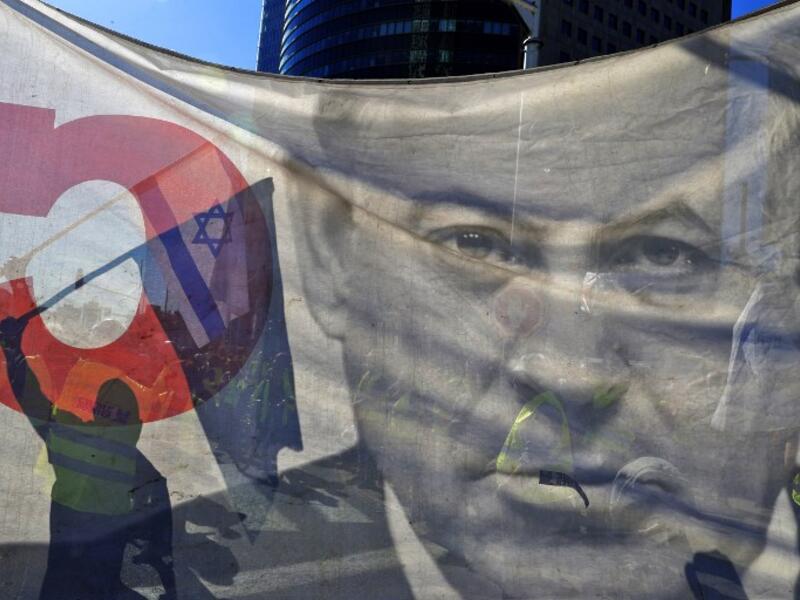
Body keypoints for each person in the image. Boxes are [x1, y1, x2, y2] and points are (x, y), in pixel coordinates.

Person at [277, 33, 800, 599]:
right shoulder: (201, 560)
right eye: (476, 243)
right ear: (329, 249)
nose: (572, 371)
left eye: (663, 253)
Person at [0, 315, 175, 599]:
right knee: (95, 585)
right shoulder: (128, 389)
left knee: (61, 584)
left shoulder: (81, 385)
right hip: (107, 513)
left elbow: (33, 403)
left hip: (69, 509)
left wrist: (13, 350)